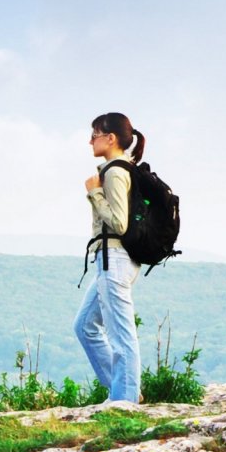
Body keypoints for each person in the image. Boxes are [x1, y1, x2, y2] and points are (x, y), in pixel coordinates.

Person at [77, 112, 143, 405]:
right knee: (84, 326)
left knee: (120, 333)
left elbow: (119, 223)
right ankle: (123, 389)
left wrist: (94, 194)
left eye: (95, 134)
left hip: (114, 258)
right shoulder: (116, 170)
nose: (90, 140)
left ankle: (124, 401)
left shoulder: (115, 173)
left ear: (111, 138)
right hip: (110, 258)